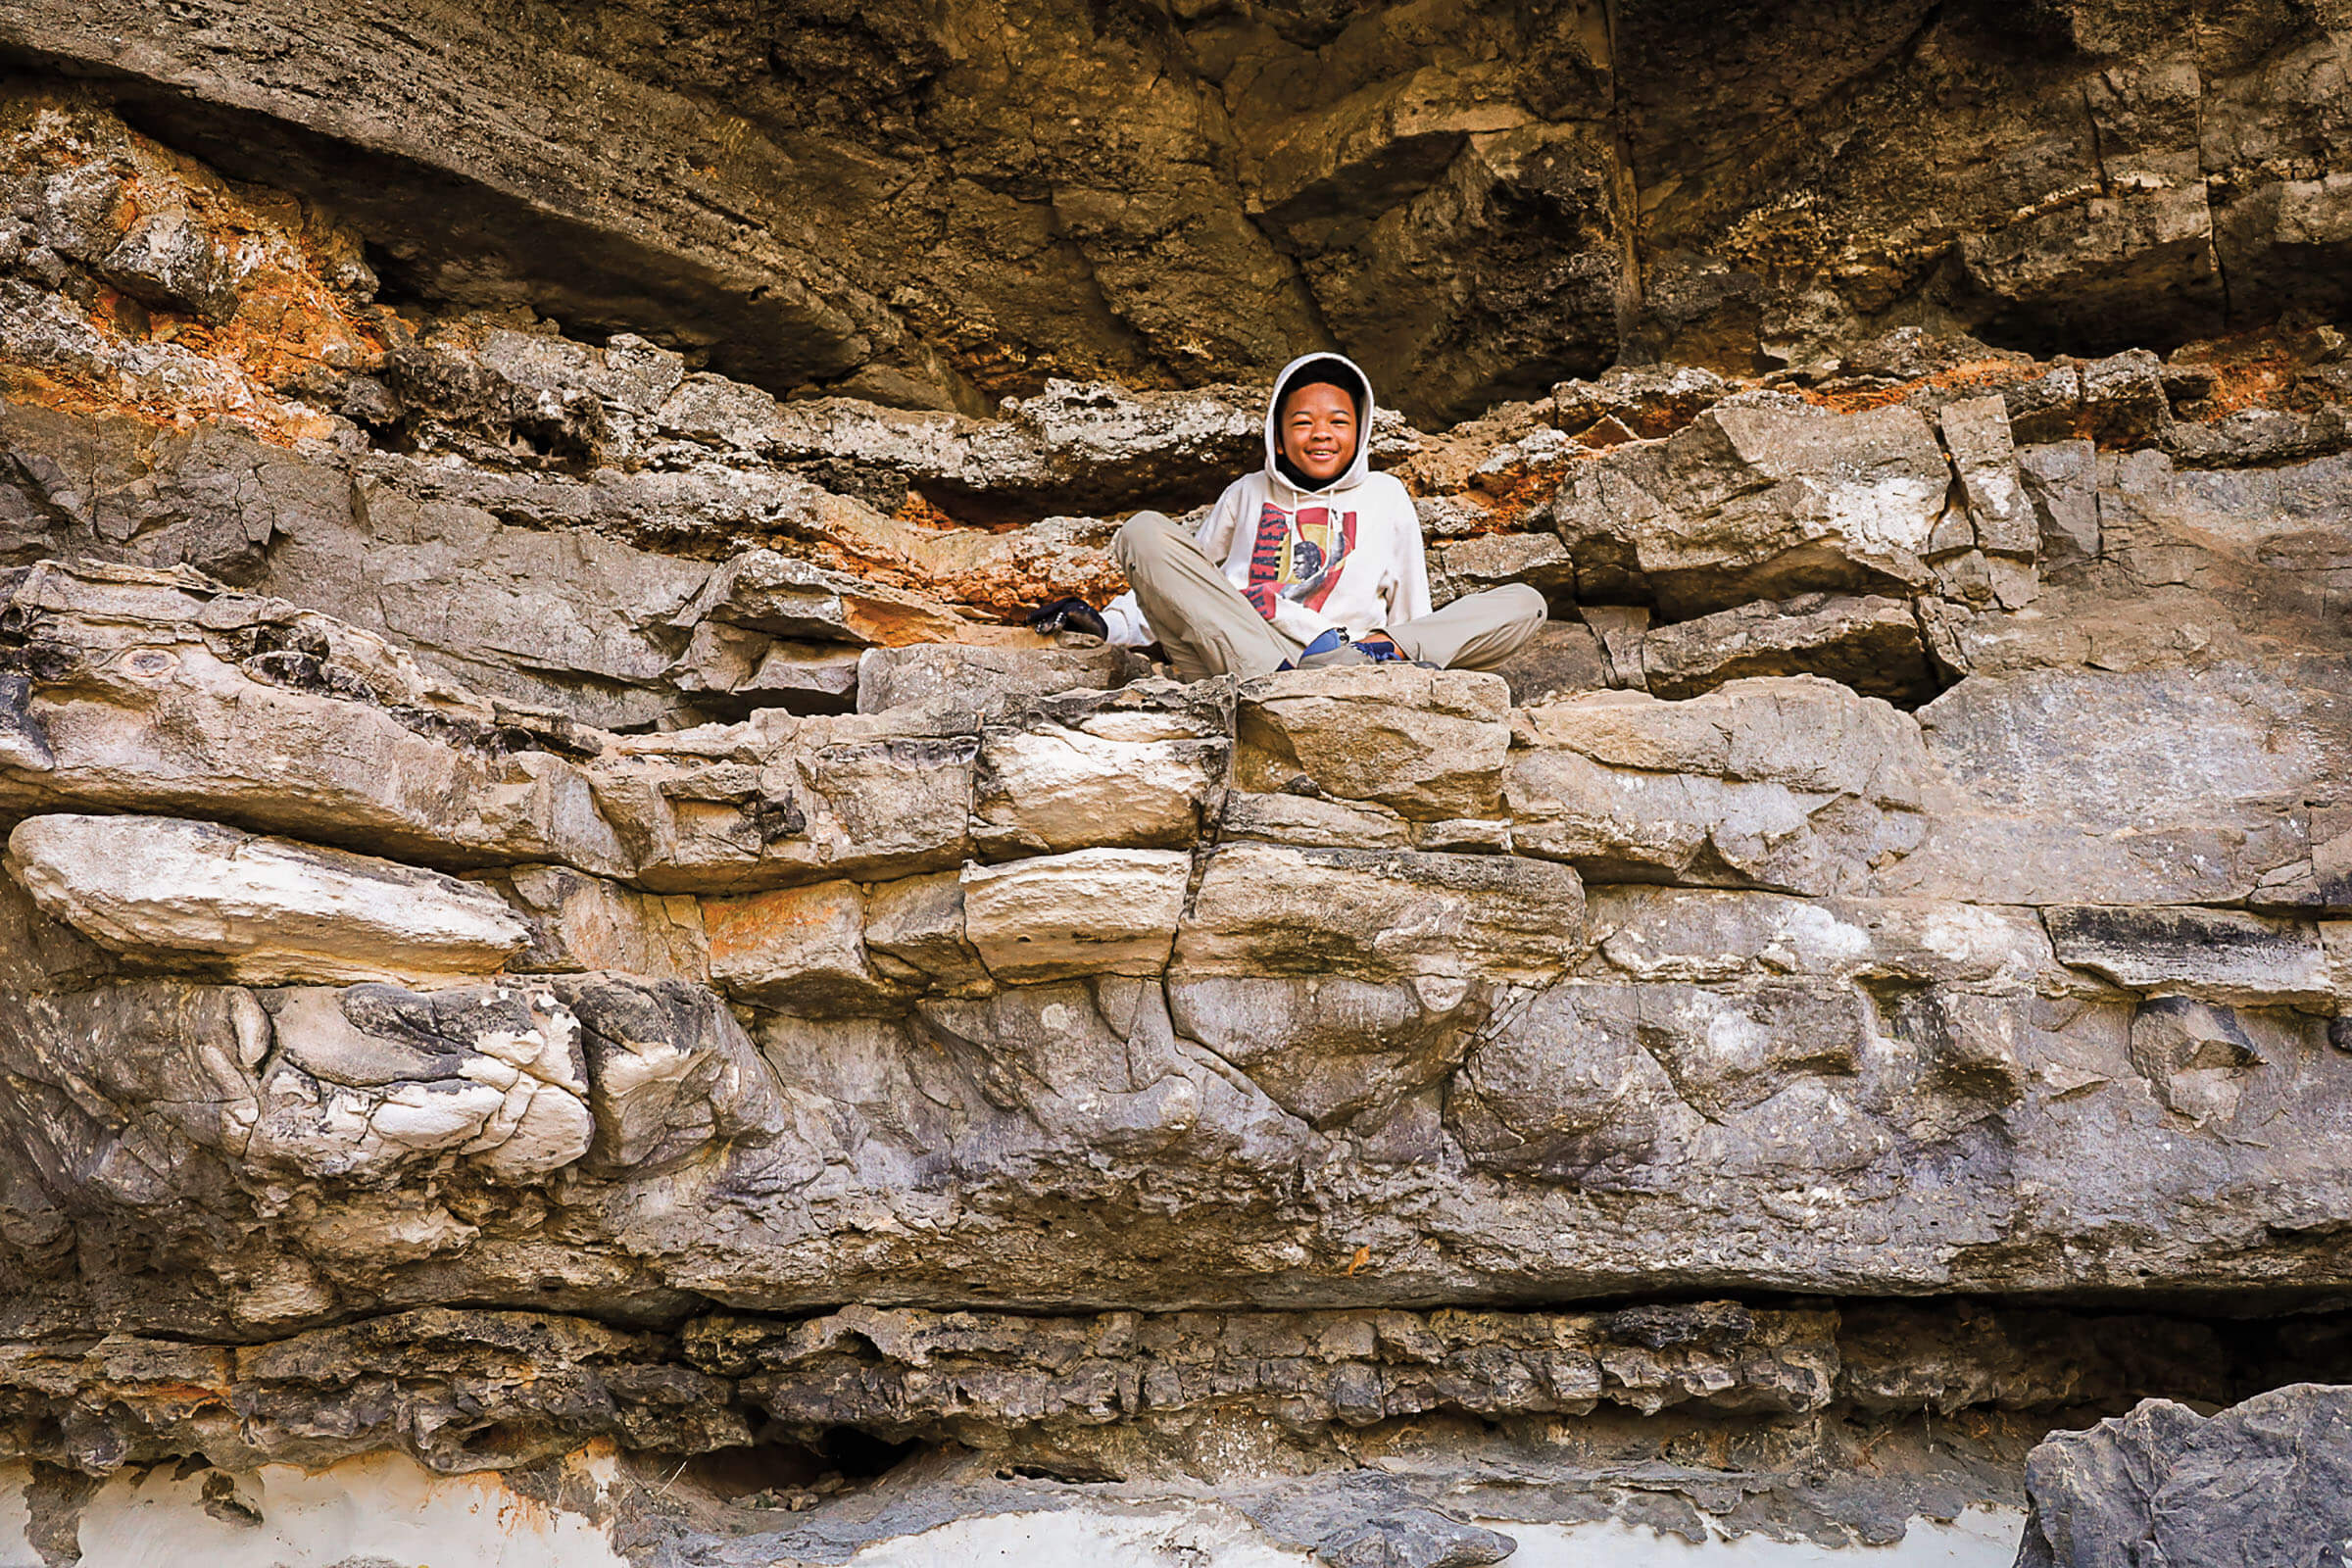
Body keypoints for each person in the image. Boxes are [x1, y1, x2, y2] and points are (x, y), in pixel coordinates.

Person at [1027, 352, 1547, 682]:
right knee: (1143, 529)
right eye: (1303, 422)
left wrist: (1397, 657)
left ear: (1360, 432)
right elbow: (1189, 584)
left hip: (1347, 662)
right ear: (1278, 436)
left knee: (1528, 603)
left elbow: (1413, 608)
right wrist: (1110, 624)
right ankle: (1271, 681)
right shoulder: (1247, 492)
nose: (1321, 433)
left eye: (1338, 421)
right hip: (1238, 654)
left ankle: (1342, 669)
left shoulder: (1387, 496)